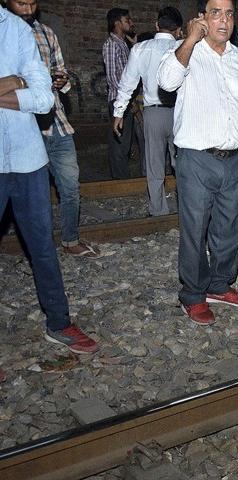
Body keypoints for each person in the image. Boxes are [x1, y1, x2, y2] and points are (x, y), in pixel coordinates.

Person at [0, 5, 98, 354]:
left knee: (43, 248)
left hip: (28, 158)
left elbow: (44, 100)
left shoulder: (17, 29)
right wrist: (17, 80)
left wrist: (23, 83)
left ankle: (59, 321)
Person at [157, 0, 238, 326]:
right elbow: (166, 82)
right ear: (202, 17)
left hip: (236, 159)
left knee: (231, 228)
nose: (224, 20)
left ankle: (219, 285)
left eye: (229, 13)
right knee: (195, 231)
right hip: (197, 159)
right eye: (216, 13)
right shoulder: (186, 52)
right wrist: (189, 39)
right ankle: (193, 294)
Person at [5, 0, 98, 258]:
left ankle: (70, 239)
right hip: (22, 126)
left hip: (56, 122)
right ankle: (37, 248)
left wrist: (61, 79)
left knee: (70, 186)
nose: (28, 9)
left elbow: (60, 70)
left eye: (32, 3)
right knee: (29, 194)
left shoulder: (46, 33)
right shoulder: (5, 35)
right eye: (21, 3)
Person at [113, 6, 182, 217]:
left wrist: (119, 112)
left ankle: (158, 210)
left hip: (153, 113)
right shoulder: (183, 47)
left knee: (154, 165)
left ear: (156, 26)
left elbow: (127, 83)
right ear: (178, 29)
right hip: (180, 113)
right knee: (182, 163)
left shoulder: (140, 49)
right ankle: (186, 206)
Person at [103, 7, 136, 179]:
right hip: (118, 100)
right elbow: (112, 77)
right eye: (127, 20)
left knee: (124, 143)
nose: (131, 23)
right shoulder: (111, 44)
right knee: (119, 144)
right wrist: (125, 98)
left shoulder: (123, 43)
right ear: (117, 23)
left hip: (125, 100)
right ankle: (119, 181)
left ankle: (123, 178)